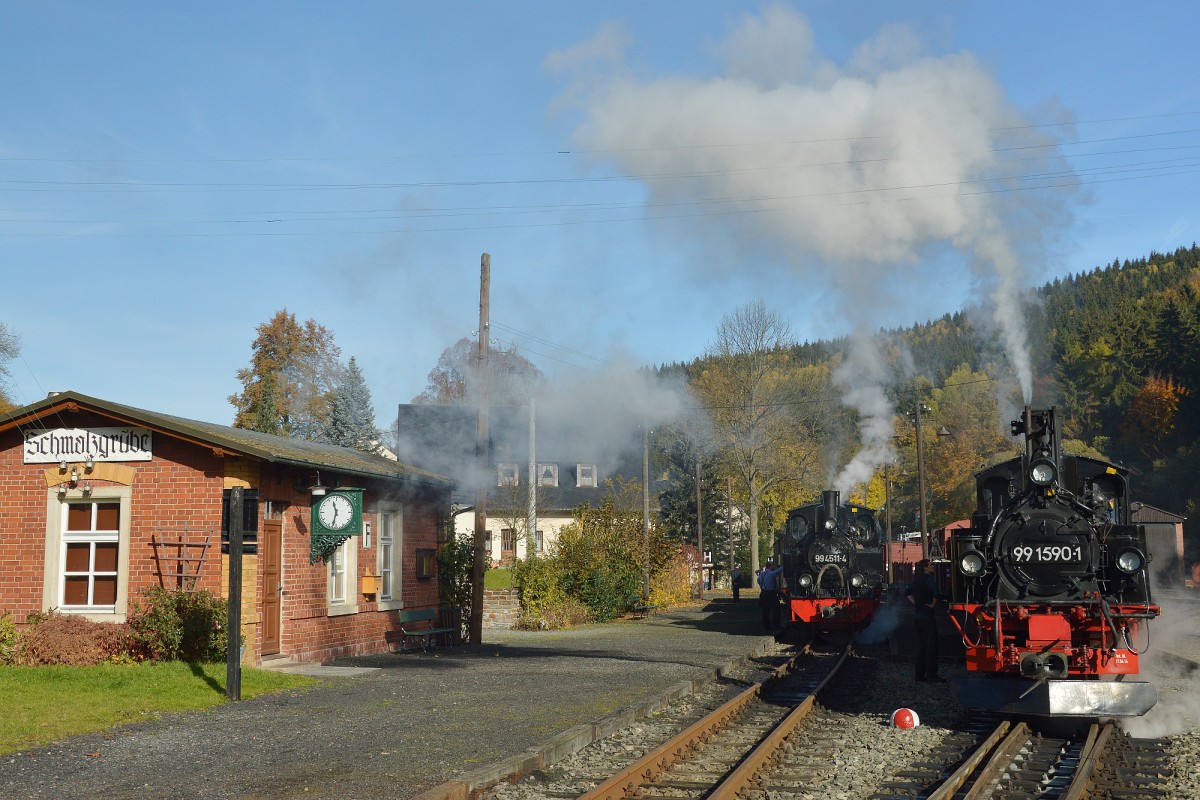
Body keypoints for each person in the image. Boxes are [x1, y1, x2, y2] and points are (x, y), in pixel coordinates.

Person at [905, 558, 943, 683]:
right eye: (931, 565)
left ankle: (919, 675)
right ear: (925, 567)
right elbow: (937, 594)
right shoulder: (929, 579)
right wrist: (932, 605)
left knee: (921, 646)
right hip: (927, 616)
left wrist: (916, 603)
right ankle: (931, 675)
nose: (933, 566)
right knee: (931, 645)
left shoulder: (916, 580)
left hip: (917, 616)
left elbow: (907, 593)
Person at [757, 559, 785, 631]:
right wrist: (785, 563)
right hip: (771, 593)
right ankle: (776, 625)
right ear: (771, 566)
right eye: (773, 566)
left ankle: (767, 626)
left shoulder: (761, 574)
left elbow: (759, 581)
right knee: (776, 609)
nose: (774, 567)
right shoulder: (772, 574)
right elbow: (780, 570)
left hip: (763, 593)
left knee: (765, 611)